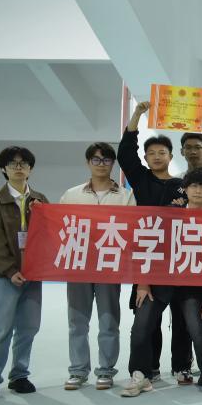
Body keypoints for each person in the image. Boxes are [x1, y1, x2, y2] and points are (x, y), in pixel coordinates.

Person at [122, 168, 202, 399]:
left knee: (198, 329)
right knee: (140, 327)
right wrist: (143, 283)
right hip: (159, 282)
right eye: (193, 186)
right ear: (185, 189)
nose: (198, 191)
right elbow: (147, 246)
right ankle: (140, 375)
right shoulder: (168, 216)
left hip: (192, 287)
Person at [118, 100, 191, 384]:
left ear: (171, 156)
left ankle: (182, 366)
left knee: (182, 319)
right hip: (148, 256)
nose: (157, 156)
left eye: (162, 152)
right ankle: (148, 368)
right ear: (146, 159)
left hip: (179, 258)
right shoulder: (140, 180)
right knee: (147, 318)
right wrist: (137, 114)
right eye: (151, 153)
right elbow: (125, 153)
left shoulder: (184, 187)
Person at [0, 147, 49, 403]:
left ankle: (19, 375)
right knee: (0, 328)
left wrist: (41, 214)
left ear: (30, 169)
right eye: (13, 163)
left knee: (28, 327)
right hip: (5, 277)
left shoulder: (40, 200)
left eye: (23, 163)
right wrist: (9, 270)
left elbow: (51, 234)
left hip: (33, 276)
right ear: (3, 169)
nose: (18, 167)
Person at [60, 142, 136, 391]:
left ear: (113, 164)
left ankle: (105, 371)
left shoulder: (126, 197)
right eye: (96, 159)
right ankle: (78, 370)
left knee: (108, 321)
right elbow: (58, 228)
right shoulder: (71, 195)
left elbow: (133, 230)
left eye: (106, 160)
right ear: (88, 163)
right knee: (77, 322)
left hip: (109, 268)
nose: (101, 164)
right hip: (79, 267)